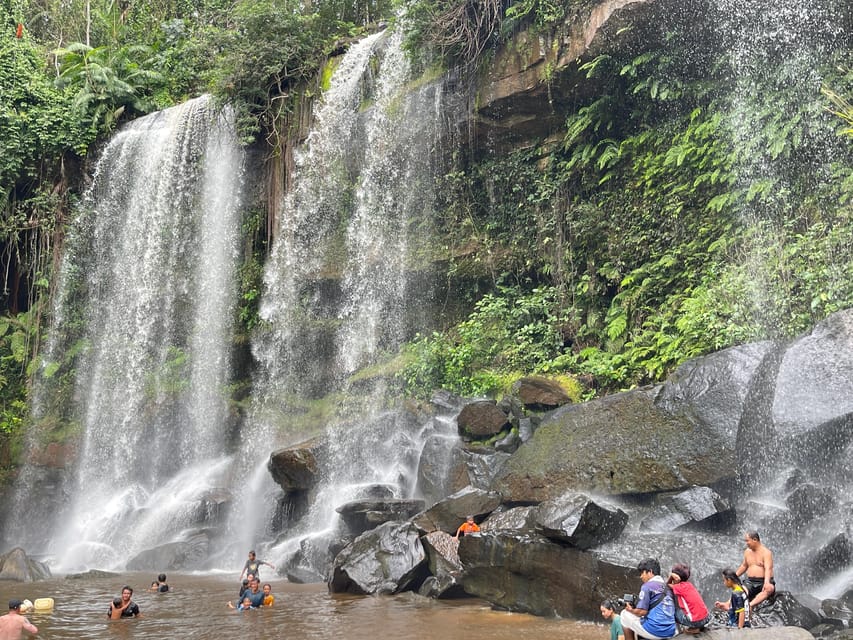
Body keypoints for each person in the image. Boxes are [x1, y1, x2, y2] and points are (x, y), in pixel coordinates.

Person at [619, 558, 677, 640]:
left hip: (656, 631)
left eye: (642, 573)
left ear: (650, 572)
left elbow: (642, 612)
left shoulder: (647, 586)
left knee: (624, 614)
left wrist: (630, 610)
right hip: (671, 631)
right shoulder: (668, 587)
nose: (641, 576)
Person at [735, 530, 775, 608]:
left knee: (769, 589)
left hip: (763, 581)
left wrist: (766, 582)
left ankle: (750, 605)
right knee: (740, 590)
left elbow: (768, 568)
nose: (746, 543)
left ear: (755, 540)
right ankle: (727, 604)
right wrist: (734, 576)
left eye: (747, 541)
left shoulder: (766, 552)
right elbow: (744, 566)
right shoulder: (747, 551)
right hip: (750, 581)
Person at [668, 563, 711, 635]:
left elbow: (668, 584)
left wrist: (670, 576)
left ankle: (693, 628)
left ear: (675, 578)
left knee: (673, 612)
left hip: (696, 621)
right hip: (706, 618)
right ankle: (697, 626)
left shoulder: (679, 587)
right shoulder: (689, 585)